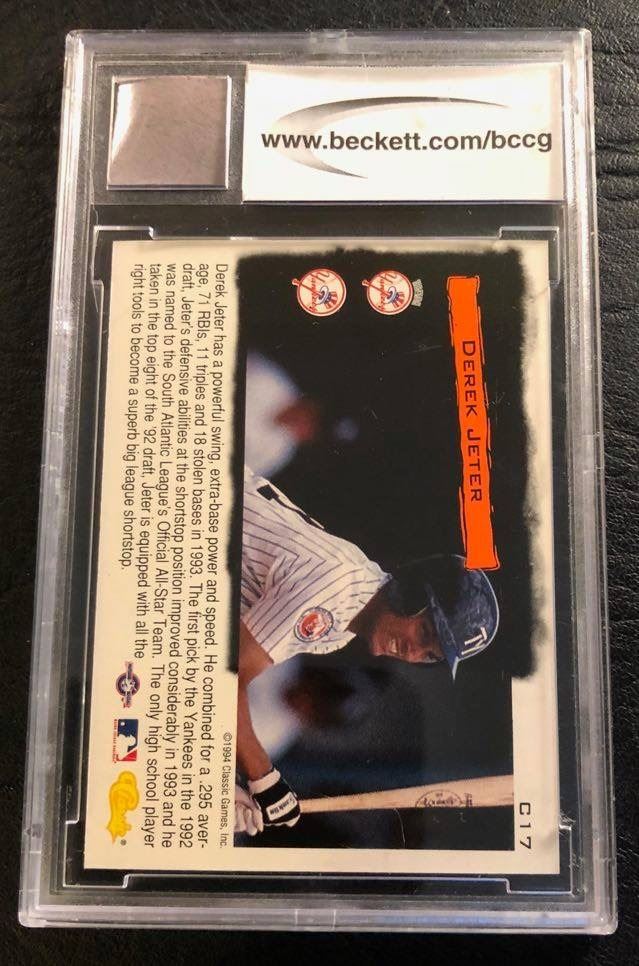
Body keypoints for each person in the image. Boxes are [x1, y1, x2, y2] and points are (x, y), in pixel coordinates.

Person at [234, 466, 499, 836]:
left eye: (430, 655)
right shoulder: (337, 590)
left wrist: (228, 781)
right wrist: (263, 778)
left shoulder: (344, 626)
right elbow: (227, 679)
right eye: (424, 631)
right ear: (410, 591)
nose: (412, 652)